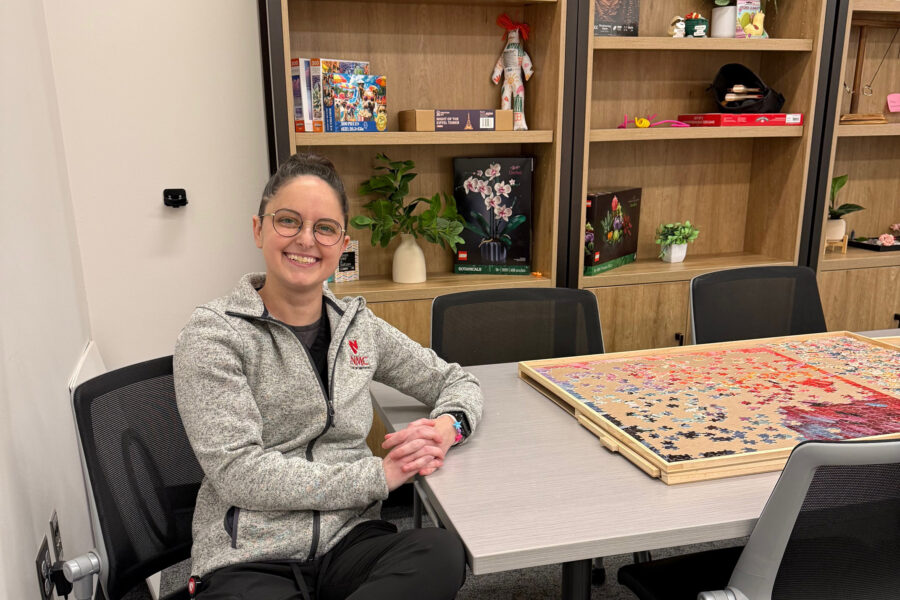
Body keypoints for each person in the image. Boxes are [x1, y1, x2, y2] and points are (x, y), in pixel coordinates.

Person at [174, 153, 483, 600]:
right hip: (252, 555)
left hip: (350, 541)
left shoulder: (359, 327)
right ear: (258, 229)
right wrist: (379, 476)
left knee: (440, 552)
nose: (306, 240)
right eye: (288, 221)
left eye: (324, 228)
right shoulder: (214, 334)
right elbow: (239, 473)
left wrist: (446, 428)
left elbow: (456, 381)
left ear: (341, 244)